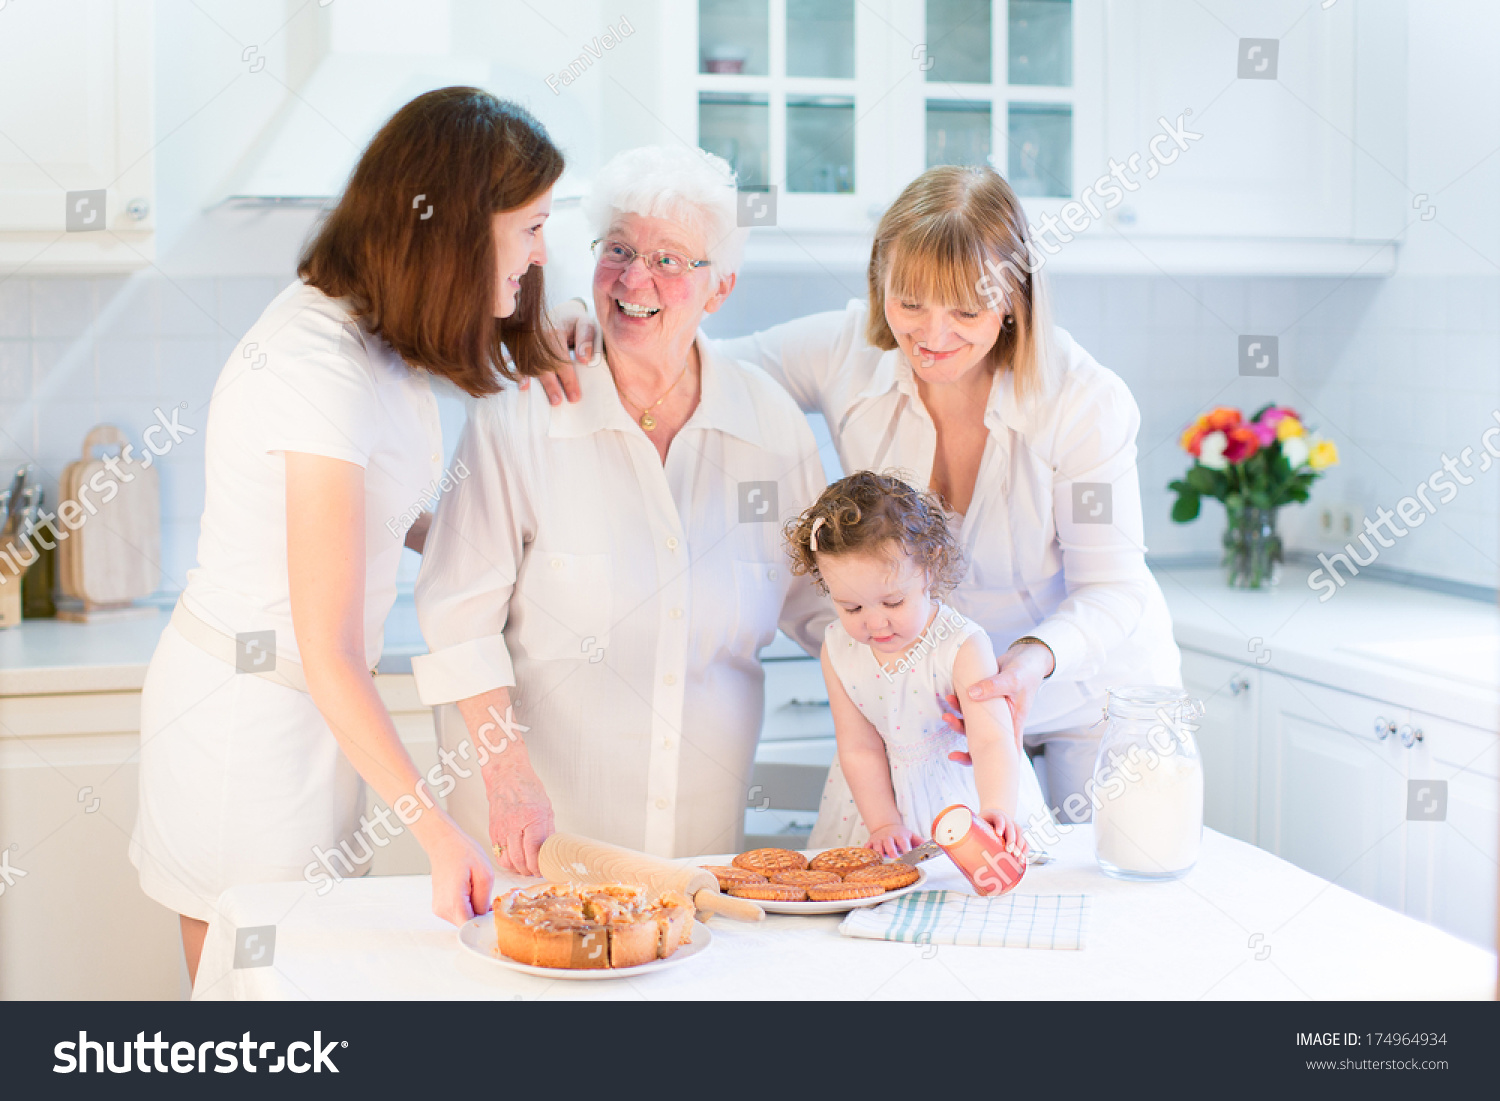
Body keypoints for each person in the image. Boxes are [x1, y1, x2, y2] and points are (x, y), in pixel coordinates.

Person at [549, 164, 1181, 827]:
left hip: (1091, 696)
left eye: (965, 310)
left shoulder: (1084, 401)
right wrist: (579, 314)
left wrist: (1027, 664)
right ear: (880, 281)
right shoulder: (847, 351)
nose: (932, 335)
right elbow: (702, 363)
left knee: (1096, 899)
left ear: (1013, 300)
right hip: (940, 710)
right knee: (939, 896)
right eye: (909, 302)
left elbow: (1114, 590)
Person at [130, 87, 567, 984]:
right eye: (529, 227)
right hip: (248, 732)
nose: (539, 252)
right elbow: (327, 647)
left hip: (313, 719)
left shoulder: (374, 335)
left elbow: (374, 507)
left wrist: (490, 544)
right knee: (254, 1008)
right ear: (454, 231)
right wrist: (441, 835)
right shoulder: (317, 366)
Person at [411, 146, 828, 876]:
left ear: (719, 288)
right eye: (620, 250)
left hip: (696, 856)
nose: (636, 279)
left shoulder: (769, 426)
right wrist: (508, 781)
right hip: (538, 848)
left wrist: (922, 676)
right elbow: (457, 616)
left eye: (671, 260)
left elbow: (826, 606)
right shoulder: (524, 413)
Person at [785, 471, 1045, 856]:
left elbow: (991, 739)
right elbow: (858, 748)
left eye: (893, 602)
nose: (875, 622)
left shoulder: (962, 645)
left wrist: (996, 808)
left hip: (962, 798)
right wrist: (885, 822)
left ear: (929, 567)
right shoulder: (838, 647)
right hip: (874, 804)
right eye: (851, 607)